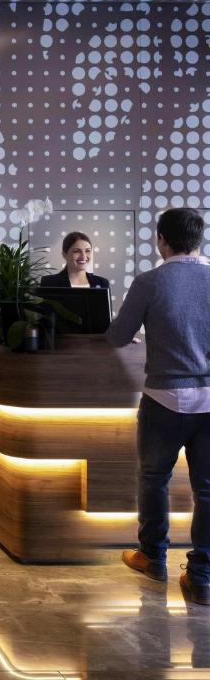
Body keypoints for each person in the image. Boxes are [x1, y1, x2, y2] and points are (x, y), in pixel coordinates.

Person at [108, 208, 210, 605]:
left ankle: (152, 557)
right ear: (198, 240)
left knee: (154, 479)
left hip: (164, 399)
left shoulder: (150, 281)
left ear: (161, 240)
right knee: (208, 490)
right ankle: (201, 577)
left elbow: (118, 337)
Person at [40, 232, 110, 288]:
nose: (83, 256)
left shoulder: (102, 283)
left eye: (87, 251)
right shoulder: (49, 283)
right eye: (76, 251)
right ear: (64, 254)